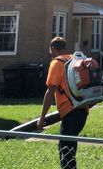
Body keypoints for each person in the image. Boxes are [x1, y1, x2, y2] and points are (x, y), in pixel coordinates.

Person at [38, 36, 89, 169]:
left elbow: (50, 93)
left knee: (65, 151)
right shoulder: (73, 59)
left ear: (53, 48)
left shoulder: (57, 63)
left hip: (70, 111)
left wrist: (41, 118)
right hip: (82, 109)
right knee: (70, 148)